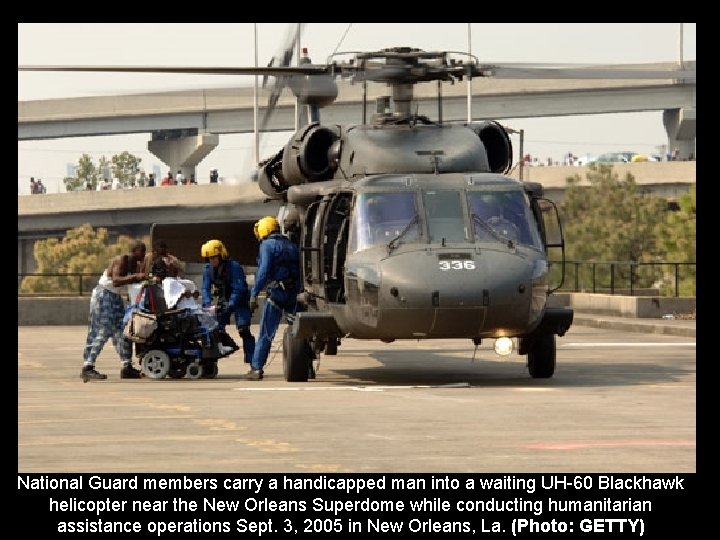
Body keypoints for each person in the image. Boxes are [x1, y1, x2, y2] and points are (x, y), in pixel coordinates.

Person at [81, 241, 149, 381]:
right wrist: (135, 277)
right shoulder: (122, 260)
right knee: (102, 330)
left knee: (123, 330)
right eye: (141, 251)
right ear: (134, 250)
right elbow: (116, 280)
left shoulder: (134, 264)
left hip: (116, 297)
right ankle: (87, 367)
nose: (143, 254)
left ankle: (127, 366)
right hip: (104, 295)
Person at [245, 216, 301, 380]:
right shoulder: (292, 245)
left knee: (266, 333)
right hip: (294, 294)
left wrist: (254, 293)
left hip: (276, 294)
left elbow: (263, 272)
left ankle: (256, 368)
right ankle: (307, 366)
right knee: (299, 332)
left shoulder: (267, 245)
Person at [200, 239, 255, 364]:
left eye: (214, 257)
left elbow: (238, 288)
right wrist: (207, 305)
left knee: (243, 329)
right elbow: (205, 288)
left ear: (221, 255)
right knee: (215, 329)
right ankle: (213, 358)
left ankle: (253, 361)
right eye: (209, 258)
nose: (212, 260)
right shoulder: (208, 270)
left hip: (240, 301)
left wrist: (230, 304)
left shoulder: (234, 267)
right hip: (224, 299)